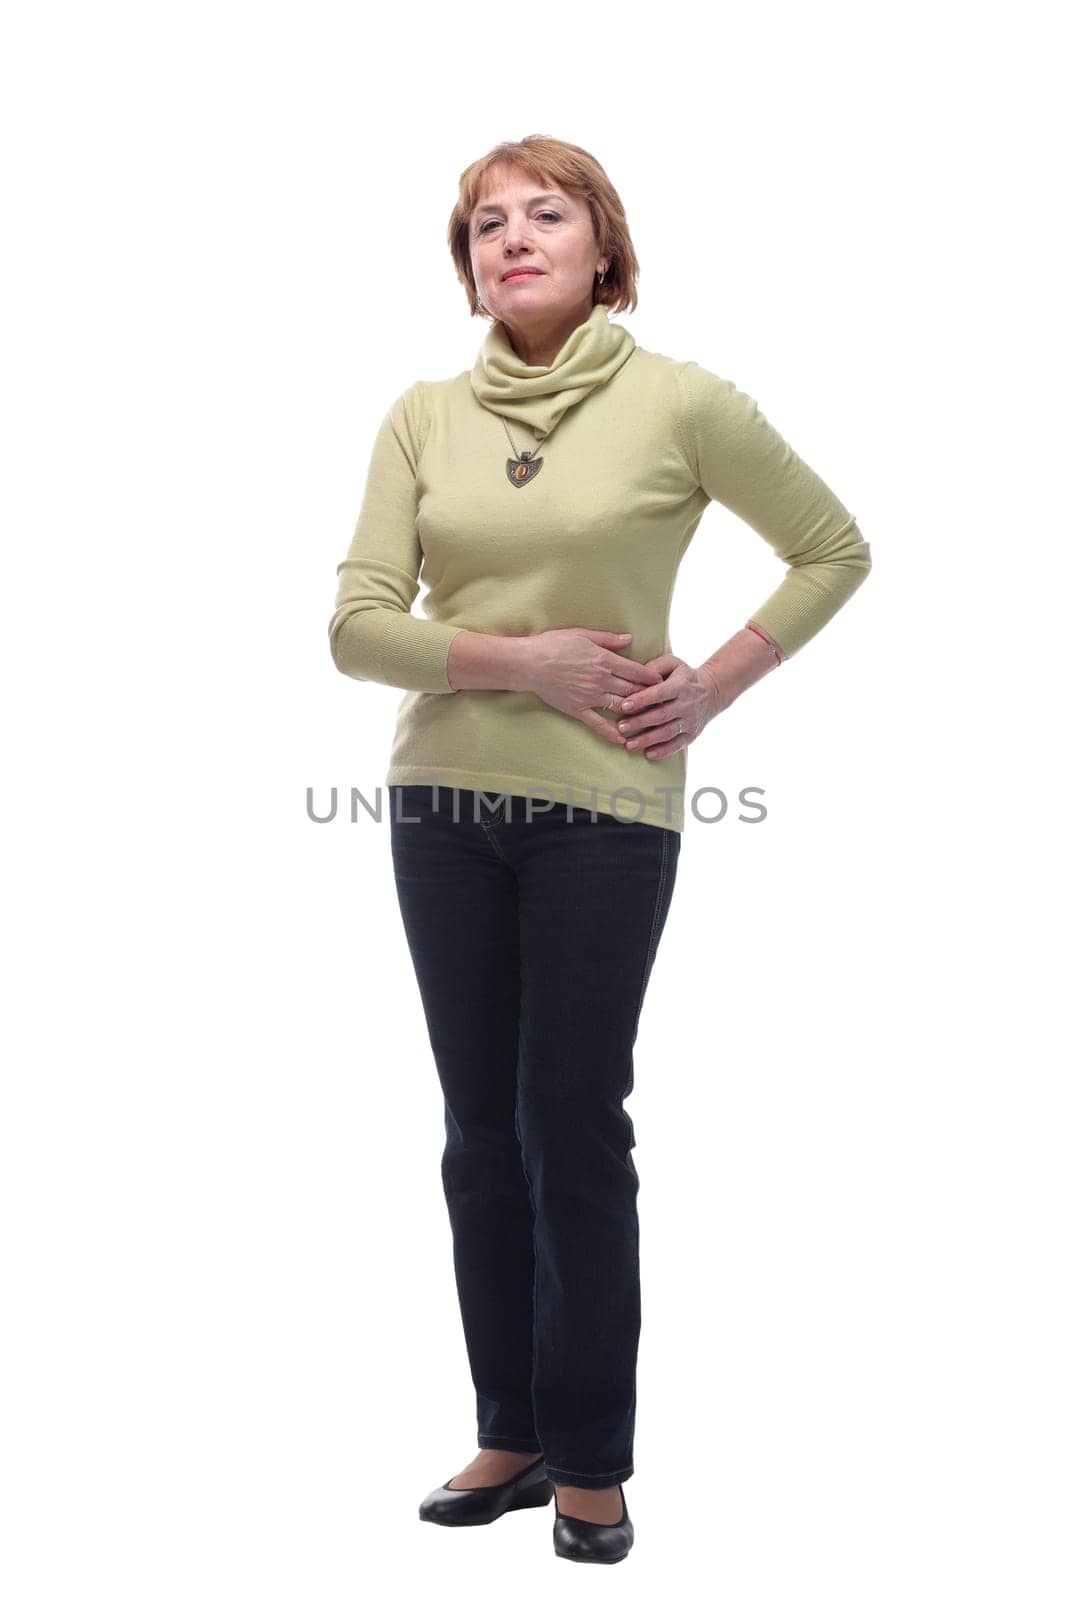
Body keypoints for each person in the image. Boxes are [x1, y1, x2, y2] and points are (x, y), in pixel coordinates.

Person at [328, 134, 872, 1564]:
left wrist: (713, 682)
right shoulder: (420, 418)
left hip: (605, 811)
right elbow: (355, 625)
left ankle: (590, 1455)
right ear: (467, 266)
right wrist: (520, 665)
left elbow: (832, 549)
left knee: (572, 1121)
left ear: (600, 245)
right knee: (476, 1136)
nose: (513, 238)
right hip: (443, 801)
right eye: (485, 224)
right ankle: (506, 1427)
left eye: (544, 214)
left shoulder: (679, 402)